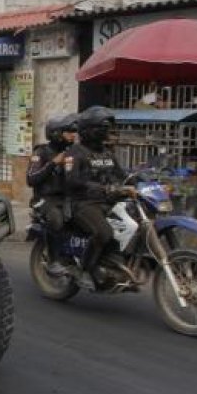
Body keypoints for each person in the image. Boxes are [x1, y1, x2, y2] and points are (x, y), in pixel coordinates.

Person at [64, 106, 133, 290]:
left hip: (108, 201)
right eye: (103, 128)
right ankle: (84, 270)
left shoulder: (106, 152)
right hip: (83, 203)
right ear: (91, 130)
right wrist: (101, 188)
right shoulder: (75, 152)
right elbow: (72, 181)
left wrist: (141, 179)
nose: (107, 132)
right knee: (104, 233)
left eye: (107, 128)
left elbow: (121, 175)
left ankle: (116, 264)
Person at [27, 114, 77, 275]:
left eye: (74, 132)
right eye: (68, 132)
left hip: (65, 198)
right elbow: (31, 178)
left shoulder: (73, 152)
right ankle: (53, 261)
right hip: (44, 199)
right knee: (56, 219)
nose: (73, 135)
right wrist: (53, 163)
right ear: (56, 133)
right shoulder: (41, 152)